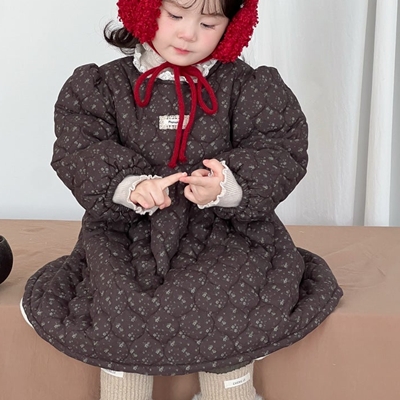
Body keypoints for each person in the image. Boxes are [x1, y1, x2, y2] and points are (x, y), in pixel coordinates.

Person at [22, 0, 343, 399]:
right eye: (175, 15)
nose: (188, 34)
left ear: (233, 27)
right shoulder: (102, 88)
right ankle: (123, 391)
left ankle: (231, 391)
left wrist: (228, 185)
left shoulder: (248, 88)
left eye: (208, 23)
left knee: (233, 298)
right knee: (116, 302)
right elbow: (80, 149)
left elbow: (279, 148)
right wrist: (129, 186)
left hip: (226, 234)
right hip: (127, 235)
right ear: (144, 9)